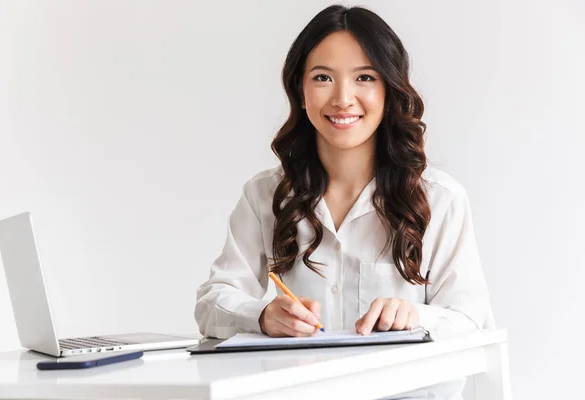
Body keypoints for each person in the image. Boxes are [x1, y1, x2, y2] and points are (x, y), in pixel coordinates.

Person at [195, 4, 494, 398]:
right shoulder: (266, 196)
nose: (342, 98)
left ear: (388, 90)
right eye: (322, 78)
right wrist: (263, 315)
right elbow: (213, 302)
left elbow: (472, 321)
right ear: (300, 92)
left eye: (365, 78)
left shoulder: (440, 199)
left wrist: (414, 316)